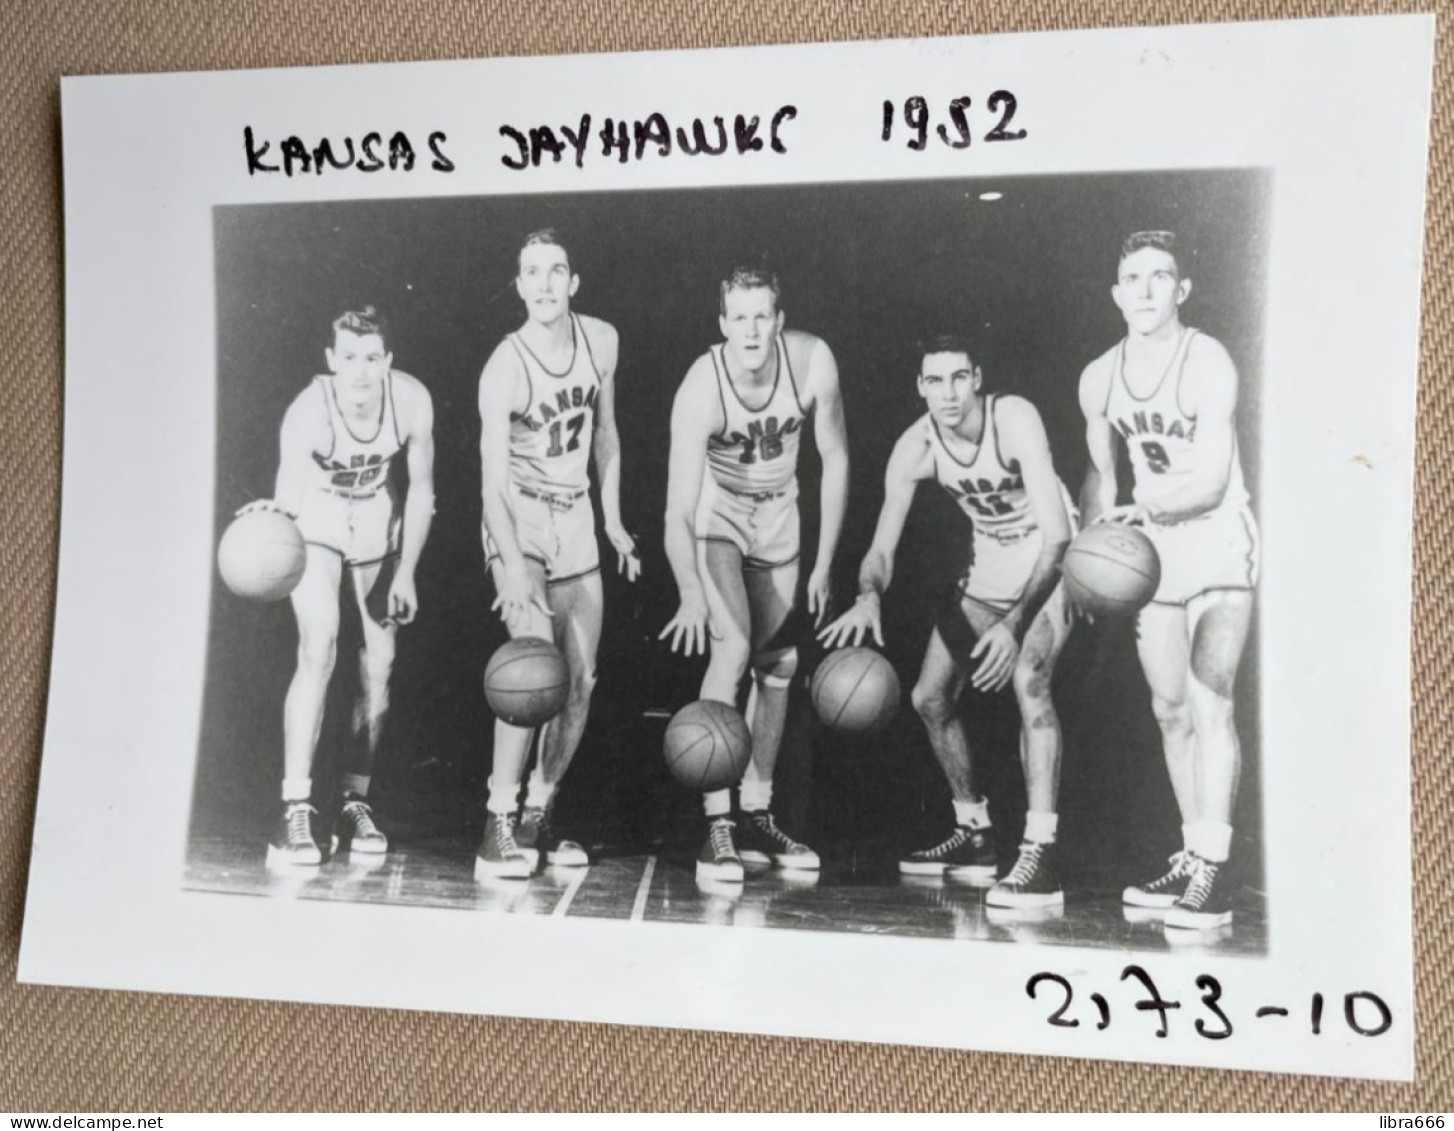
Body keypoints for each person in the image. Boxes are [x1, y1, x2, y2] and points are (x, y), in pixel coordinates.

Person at [820, 335, 1074, 907]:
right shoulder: (916, 446)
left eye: (959, 378)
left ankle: (1042, 853)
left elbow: (1058, 535)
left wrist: (1012, 626)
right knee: (929, 698)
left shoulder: (1013, 420)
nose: (948, 392)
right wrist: (867, 595)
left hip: (1051, 561)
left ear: (977, 378)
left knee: (1029, 681)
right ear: (920, 387)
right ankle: (974, 832)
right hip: (990, 565)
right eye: (934, 381)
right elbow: (882, 548)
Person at [1078, 230, 1259, 930]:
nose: (1147, 290)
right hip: (1155, 553)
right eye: (1134, 277)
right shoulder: (1100, 376)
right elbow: (1103, 478)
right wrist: (1096, 549)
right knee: (1170, 709)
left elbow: (1211, 479)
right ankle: (1193, 854)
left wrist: (1142, 508)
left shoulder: (1207, 358)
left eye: (1162, 277)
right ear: (1117, 292)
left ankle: (1214, 869)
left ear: (1182, 290)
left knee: (1211, 701)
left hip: (1218, 544)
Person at [661, 265, 849, 884]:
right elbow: (677, 508)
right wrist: (691, 589)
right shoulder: (701, 386)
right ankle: (715, 823)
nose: (750, 329)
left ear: (779, 319)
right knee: (733, 647)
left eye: (761, 315)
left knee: (780, 665)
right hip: (720, 514)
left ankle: (756, 810)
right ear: (722, 325)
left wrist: (824, 562)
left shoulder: (813, 361)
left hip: (780, 515)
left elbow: (837, 461)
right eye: (738, 317)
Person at [476, 229, 639, 880]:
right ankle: (497, 822)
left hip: (574, 516)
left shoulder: (602, 340)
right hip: (518, 517)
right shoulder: (505, 366)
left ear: (573, 282)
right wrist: (513, 563)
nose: (543, 284)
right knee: (531, 663)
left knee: (580, 680)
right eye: (531, 273)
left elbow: (607, 435)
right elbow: (489, 485)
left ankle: (540, 810)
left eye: (556, 272)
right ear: (518, 286)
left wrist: (615, 519)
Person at [256, 306, 435, 868]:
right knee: (321, 645)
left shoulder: (410, 400)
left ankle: (355, 799)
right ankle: (295, 807)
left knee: (378, 666)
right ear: (332, 360)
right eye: (350, 358)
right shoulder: (309, 409)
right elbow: (289, 486)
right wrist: (274, 516)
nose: (361, 371)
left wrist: (406, 570)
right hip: (319, 520)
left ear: (388, 361)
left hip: (377, 521)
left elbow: (423, 491)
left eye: (372, 358)